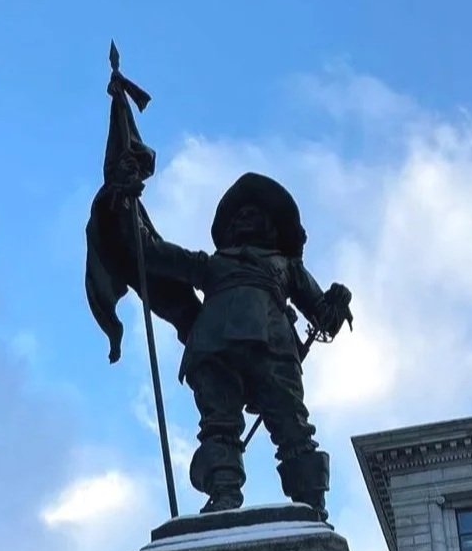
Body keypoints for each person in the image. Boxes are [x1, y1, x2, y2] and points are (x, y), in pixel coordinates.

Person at [117, 172, 352, 516]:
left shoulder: (287, 266)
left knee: (292, 423)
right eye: (238, 214)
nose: (244, 217)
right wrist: (124, 204)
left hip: (271, 345)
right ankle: (224, 493)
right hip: (213, 349)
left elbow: (324, 318)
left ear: (270, 226)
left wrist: (336, 301)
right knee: (218, 425)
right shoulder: (210, 264)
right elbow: (153, 254)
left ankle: (310, 500)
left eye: (253, 213)